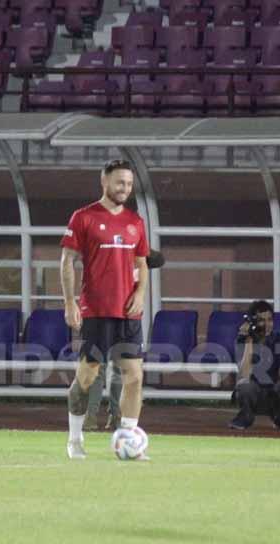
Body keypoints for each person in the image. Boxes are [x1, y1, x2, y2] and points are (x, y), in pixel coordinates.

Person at [60, 159, 150, 460]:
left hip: (128, 312)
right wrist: (70, 301)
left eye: (128, 183)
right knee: (87, 377)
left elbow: (142, 263)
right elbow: (66, 261)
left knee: (134, 376)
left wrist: (140, 292)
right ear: (105, 182)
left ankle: (128, 441)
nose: (124, 188)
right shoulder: (83, 217)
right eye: (119, 182)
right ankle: (74, 440)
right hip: (96, 310)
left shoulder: (135, 221)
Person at [84, 248, 166, 431]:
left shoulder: (134, 263)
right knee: (99, 369)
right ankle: (93, 416)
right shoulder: (110, 258)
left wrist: (135, 251)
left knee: (118, 372)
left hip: (123, 321)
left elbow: (159, 259)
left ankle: (113, 417)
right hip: (104, 319)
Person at [229, 300, 280, 430]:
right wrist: (249, 342)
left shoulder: (278, 338)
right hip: (253, 394)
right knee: (245, 385)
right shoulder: (241, 340)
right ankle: (245, 417)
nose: (267, 325)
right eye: (261, 320)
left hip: (273, 395)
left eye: (270, 320)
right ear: (253, 323)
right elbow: (244, 373)